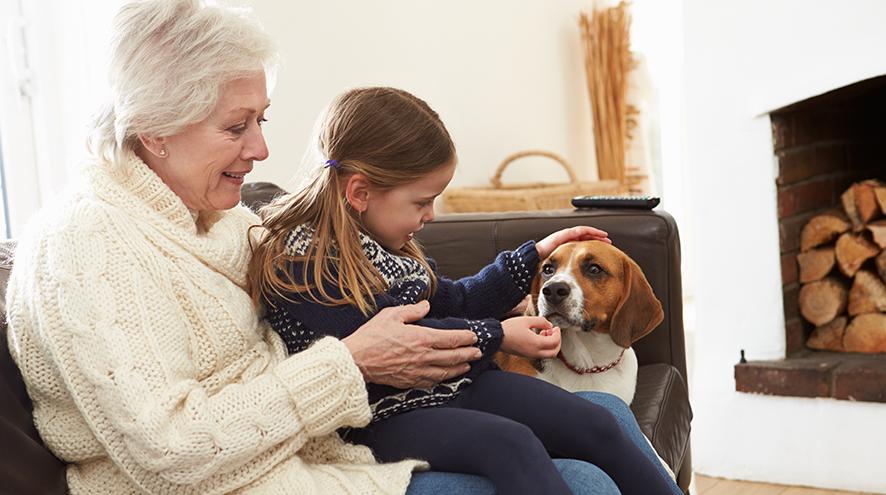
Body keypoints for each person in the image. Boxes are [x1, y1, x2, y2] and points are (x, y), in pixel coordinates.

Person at [3, 1, 675, 494]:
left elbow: (408, 296)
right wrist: (351, 362)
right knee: (581, 479)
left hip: (316, 443)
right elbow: (169, 451)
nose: (262, 149)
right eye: (236, 125)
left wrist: (520, 263)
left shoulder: (222, 220)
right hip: (246, 479)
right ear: (154, 130)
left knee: (604, 422)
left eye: (260, 121)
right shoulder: (87, 248)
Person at [248, 87, 681, 495]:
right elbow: (403, 340)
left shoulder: (391, 250)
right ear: (360, 193)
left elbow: (452, 301)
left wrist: (532, 258)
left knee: (598, 423)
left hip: (450, 385)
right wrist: (499, 335)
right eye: (422, 202)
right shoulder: (302, 264)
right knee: (510, 443)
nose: (432, 215)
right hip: (378, 415)